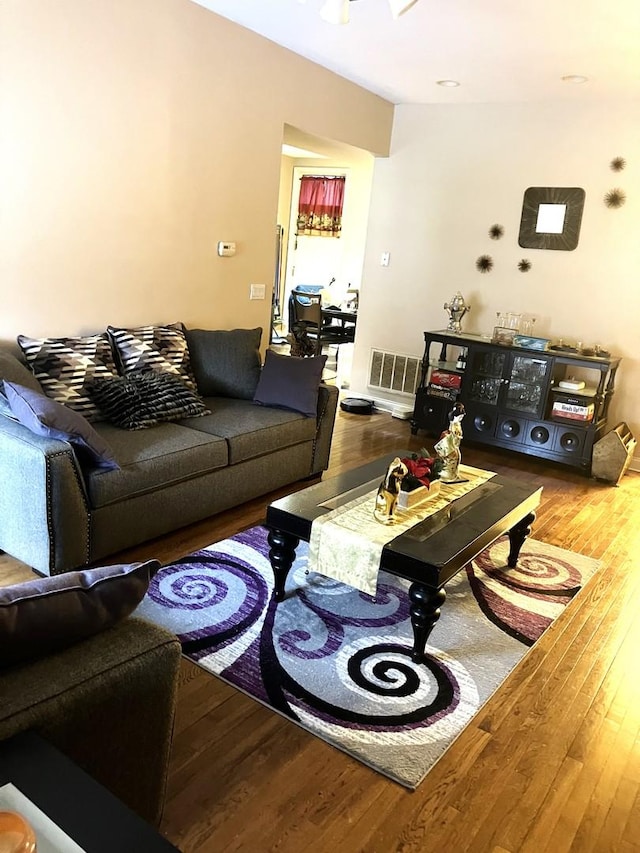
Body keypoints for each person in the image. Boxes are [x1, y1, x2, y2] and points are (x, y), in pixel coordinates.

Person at [434, 402, 466, 482]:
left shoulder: (457, 424)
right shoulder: (454, 424)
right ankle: (447, 473)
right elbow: (453, 434)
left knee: (456, 458)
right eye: (460, 416)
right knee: (450, 458)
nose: (461, 418)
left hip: (455, 444)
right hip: (451, 443)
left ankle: (452, 473)